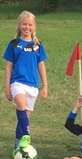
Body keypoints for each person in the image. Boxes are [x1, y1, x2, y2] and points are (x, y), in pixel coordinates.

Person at [3, 10, 48, 150]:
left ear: (34, 26)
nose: (27, 27)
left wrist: (45, 85)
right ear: (19, 25)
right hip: (17, 83)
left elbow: (41, 65)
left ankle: (18, 145)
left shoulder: (37, 45)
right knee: (21, 104)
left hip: (32, 85)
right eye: (24, 24)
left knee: (24, 119)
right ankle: (27, 135)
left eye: (30, 24)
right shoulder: (14, 44)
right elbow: (8, 66)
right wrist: (7, 87)